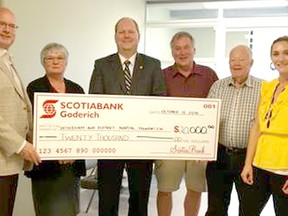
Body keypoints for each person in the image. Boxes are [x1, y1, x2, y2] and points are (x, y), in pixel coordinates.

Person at [89, 17, 166, 216]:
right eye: (121, 32)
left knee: (140, 199)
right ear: (115, 36)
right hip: (110, 141)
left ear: (138, 36)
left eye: (131, 31)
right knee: (107, 198)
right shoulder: (102, 65)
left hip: (141, 142)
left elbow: (160, 100)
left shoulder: (153, 65)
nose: (126, 35)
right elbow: (95, 101)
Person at [154, 31, 218, 216]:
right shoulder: (161, 75)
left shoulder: (209, 75)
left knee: (195, 188)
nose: (182, 52)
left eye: (186, 47)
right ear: (172, 52)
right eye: (177, 48)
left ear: (194, 50)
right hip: (169, 143)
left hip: (198, 144)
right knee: (165, 188)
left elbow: (216, 108)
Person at [25, 43, 86, 216]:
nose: (55, 61)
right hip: (45, 164)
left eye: (60, 58)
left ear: (66, 62)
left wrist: (71, 150)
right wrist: (56, 150)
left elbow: (83, 125)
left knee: (70, 210)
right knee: (47, 210)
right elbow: (31, 125)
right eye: (50, 58)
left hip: (71, 163)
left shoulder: (77, 89)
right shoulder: (34, 88)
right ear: (43, 62)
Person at [205, 45, 262, 216]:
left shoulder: (263, 88)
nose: (236, 63)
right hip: (220, 156)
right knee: (215, 208)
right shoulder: (218, 86)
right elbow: (207, 118)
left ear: (251, 63)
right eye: (232, 60)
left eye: (241, 59)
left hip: (249, 159)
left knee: (249, 209)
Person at [0, 7, 41, 216]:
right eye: (2, 24)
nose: (7, 30)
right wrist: (20, 144)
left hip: (9, 161)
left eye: (11, 26)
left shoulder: (7, 60)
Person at [241, 36, 288, 215]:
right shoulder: (267, 87)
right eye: (275, 54)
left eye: (286, 53)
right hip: (259, 165)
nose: (281, 58)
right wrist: (248, 164)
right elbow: (257, 127)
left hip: (284, 169)